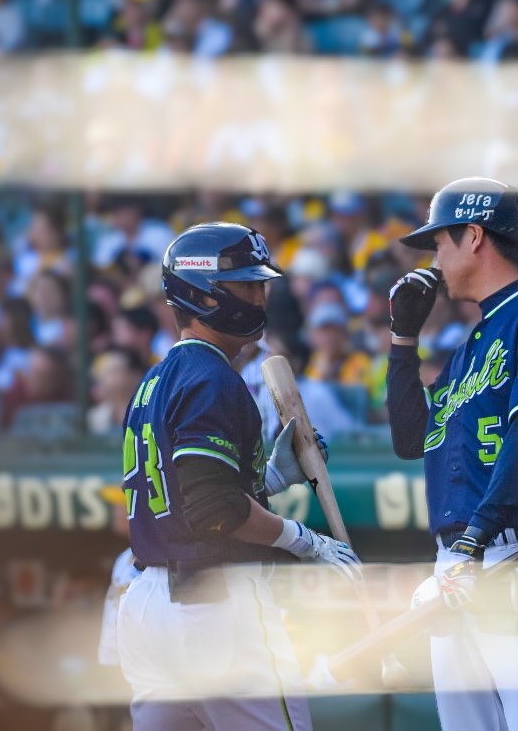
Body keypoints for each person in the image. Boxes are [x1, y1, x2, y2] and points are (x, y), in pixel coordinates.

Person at [116, 222, 361, 731]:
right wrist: (305, 541)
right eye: (245, 285)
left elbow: (188, 499)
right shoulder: (212, 379)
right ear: (202, 292)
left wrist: (269, 480)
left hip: (149, 611)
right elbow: (214, 512)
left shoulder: (153, 380)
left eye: (259, 283)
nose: (259, 295)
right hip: (219, 610)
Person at [386, 178, 518, 730]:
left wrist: (481, 530)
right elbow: (411, 439)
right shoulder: (468, 346)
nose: (435, 258)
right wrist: (403, 342)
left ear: (474, 236)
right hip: (459, 561)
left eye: (440, 242)